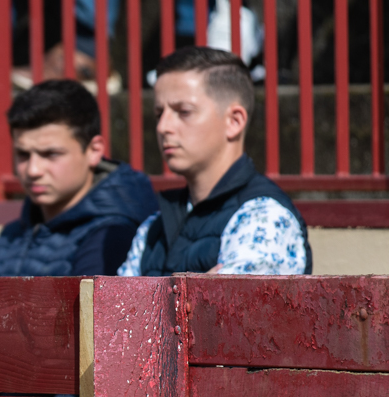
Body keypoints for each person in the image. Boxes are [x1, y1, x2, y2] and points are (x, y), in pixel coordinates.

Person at [118, 47, 311, 276]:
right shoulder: (153, 227)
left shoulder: (265, 218)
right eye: (159, 113)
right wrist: (196, 295)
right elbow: (115, 310)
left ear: (234, 121)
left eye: (184, 111)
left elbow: (230, 311)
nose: (163, 127)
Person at [0, 79, 156, 277]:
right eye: (23, 154)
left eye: (51, 154)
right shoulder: (11, 235)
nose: (33, 170)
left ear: (94, 151)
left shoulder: (113, 235)